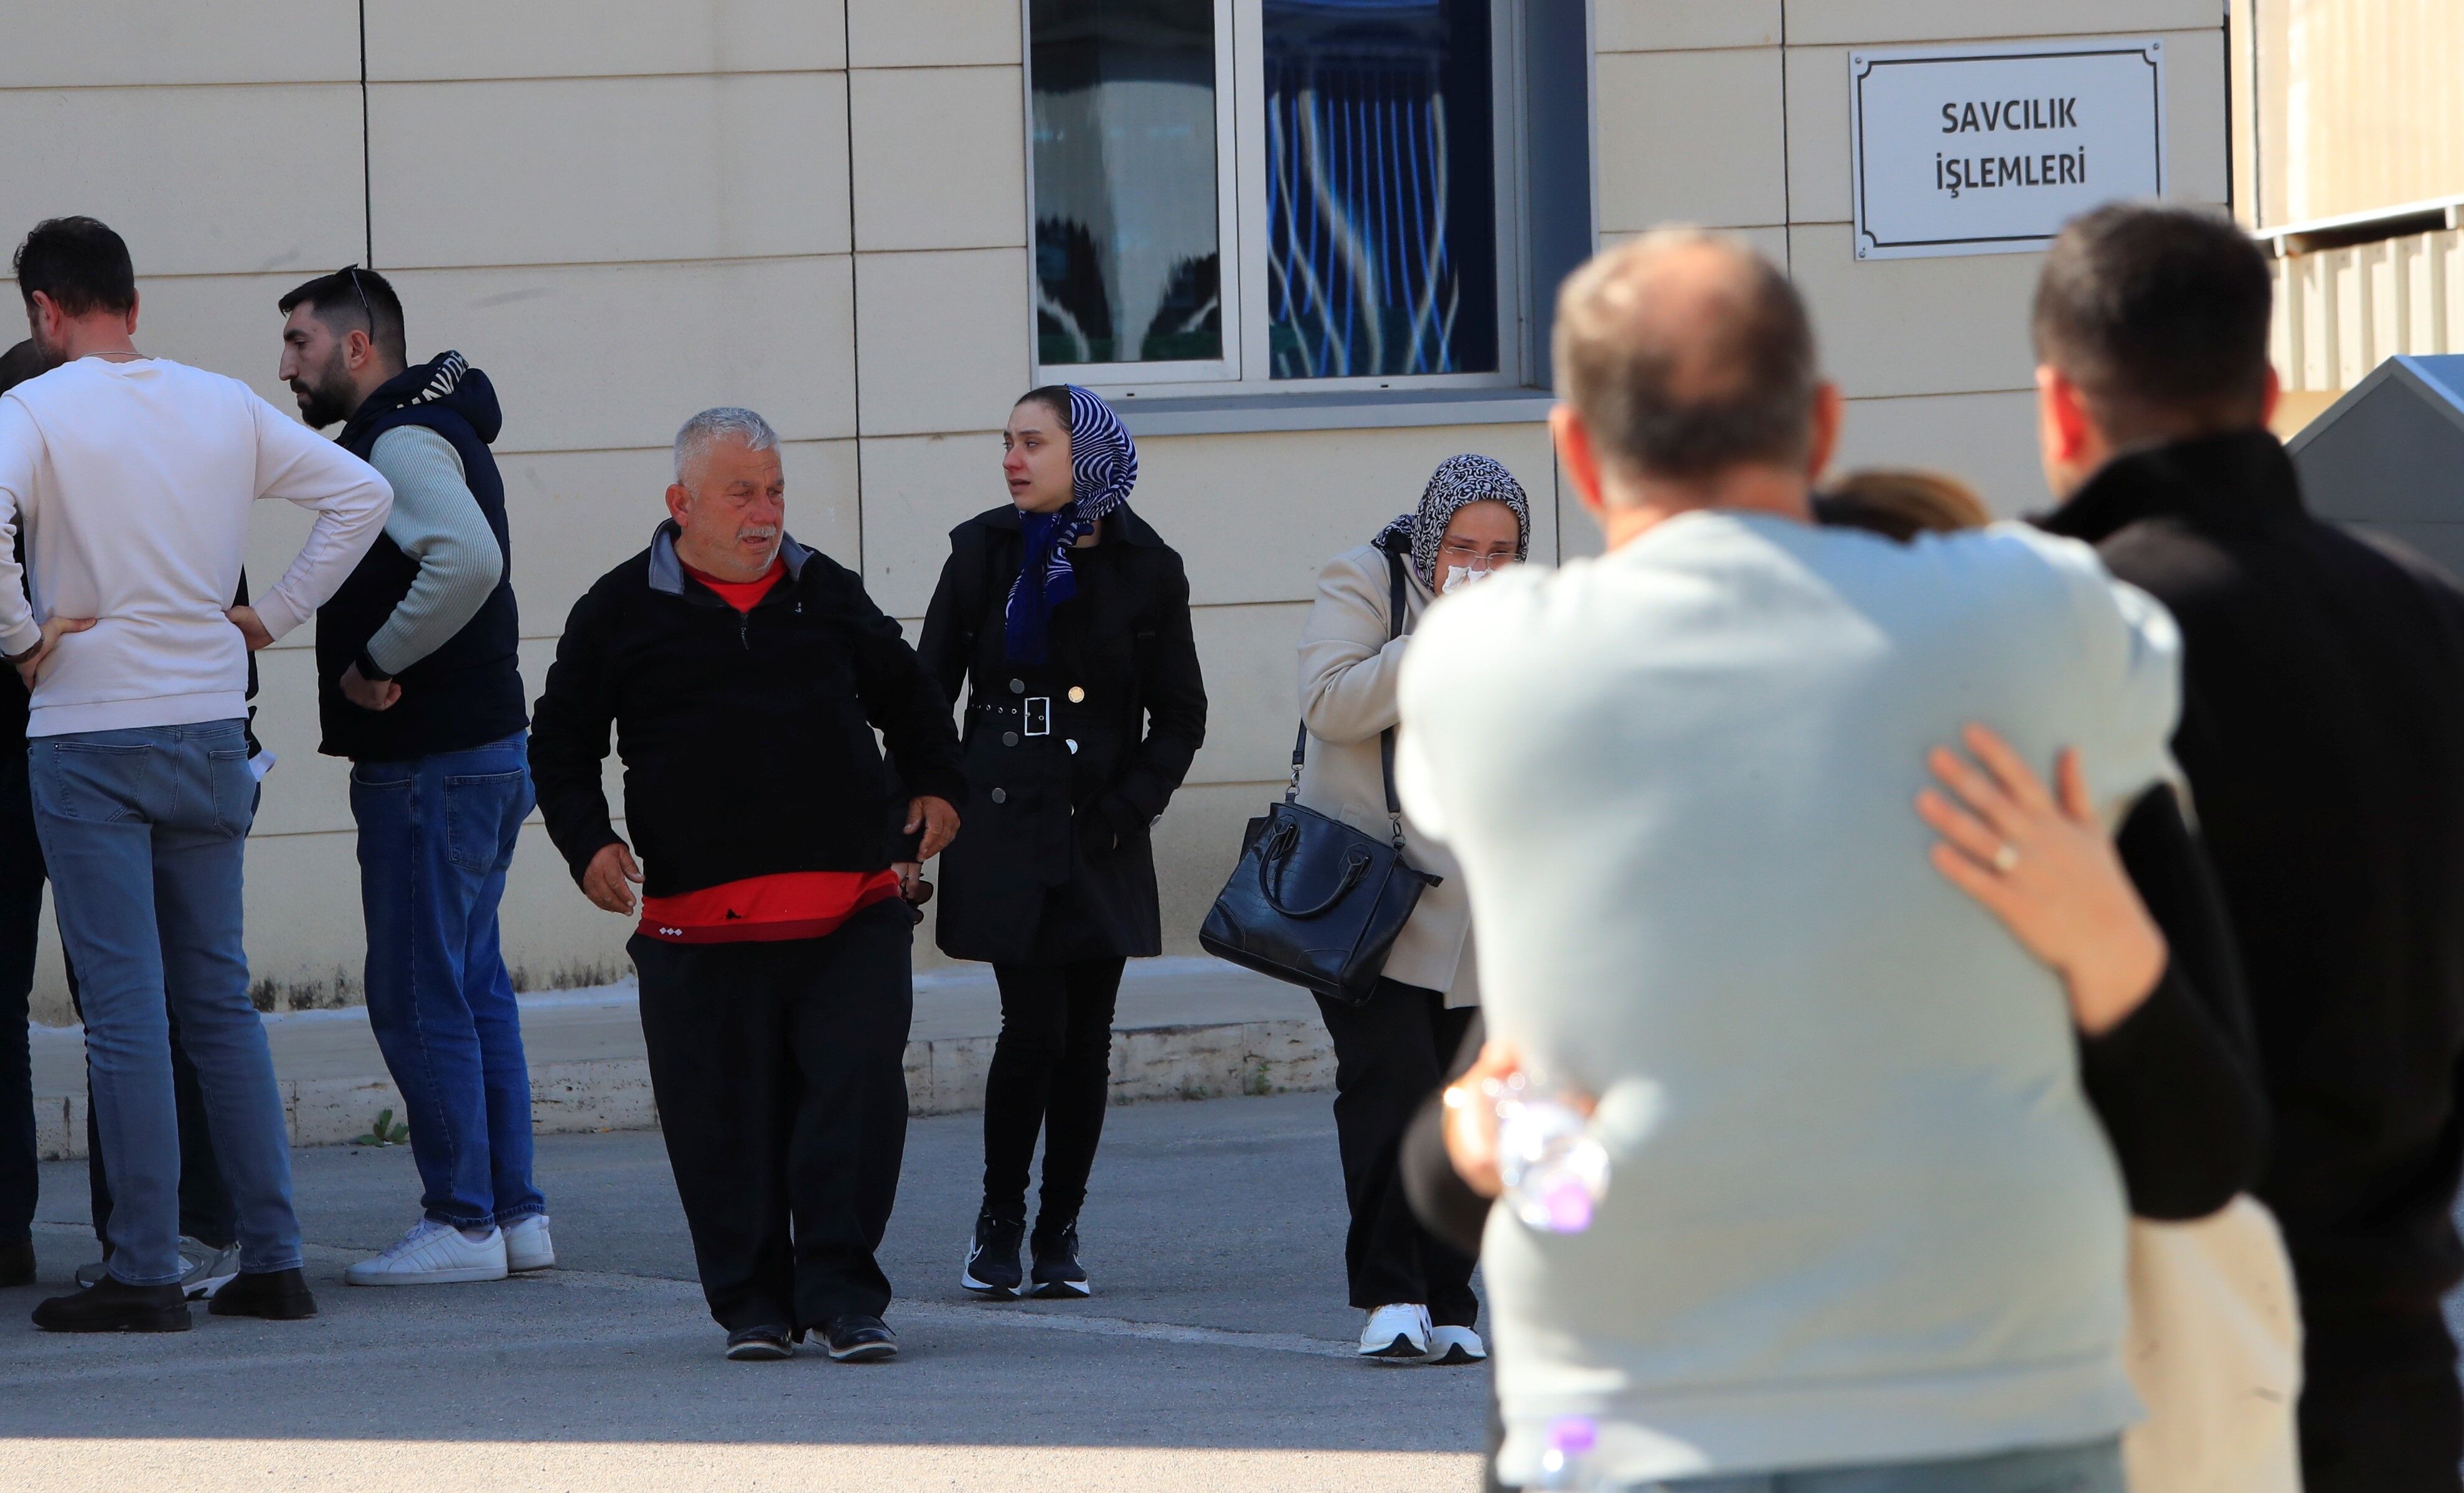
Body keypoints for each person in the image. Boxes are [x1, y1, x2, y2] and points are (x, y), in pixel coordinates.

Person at [1390, 228, 2183, 1491]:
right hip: (1991, 1391)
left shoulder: (1482, 664)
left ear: (1579, 453)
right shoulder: (2039, 612)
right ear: (1819, 427)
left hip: (1620, 1411)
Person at [2030, 202, 2464, 1493]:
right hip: (2388, 1368)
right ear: (2266, 389)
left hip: (2133, 1369)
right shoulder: (2430, 617)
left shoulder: (2044, 632)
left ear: (2059, 410)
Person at [0, 217, 391, 1332]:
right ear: (134, 300)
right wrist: (267, 616)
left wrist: (24, 638)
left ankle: (145, 1271)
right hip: (211, 727)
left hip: (89, 730)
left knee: (125, 1016)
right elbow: (360, 499)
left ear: (43, 310)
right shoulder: (223, 402)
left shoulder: (30, 410)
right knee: (218, 1004)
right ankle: (272, 1259)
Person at [529, 406, 964, 1363]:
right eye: (742, 493)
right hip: (696, 925)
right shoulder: (618, 609)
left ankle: (846, 1297)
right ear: (682, 503)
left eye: (774, 491)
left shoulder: (825, 591)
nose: (765, 512)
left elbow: (913, 695)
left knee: (852, 1101)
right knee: (721, 1123)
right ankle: (753, 1307)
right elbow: (559, 741)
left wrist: (936, 783)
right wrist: (587, 841)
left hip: (850, 906)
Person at [275, 266, 545, 1287]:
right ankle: (515, 1217)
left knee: (419, 988)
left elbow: (465, 561)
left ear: (357, 346)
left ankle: (462, 1222)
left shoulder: (395, 438)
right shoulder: (436, 428)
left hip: (429, 762)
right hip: (471, 753)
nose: (286, 364)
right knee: (472, 985)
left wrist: (374, 663)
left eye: (301, 342)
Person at [918, 385, 1205, 1302]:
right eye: (1006, 441)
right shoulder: (982, 550)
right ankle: (999, 1221)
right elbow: (928, 692)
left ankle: (1059, 1230)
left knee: (1087, 1039)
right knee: (1031, 1026)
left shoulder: (1148, 566)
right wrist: (924, 802)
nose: (1012, 459)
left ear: (1085, 456)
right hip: (1005, 820)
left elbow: (1180, 715)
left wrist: (1131, 806)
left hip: (1100, 826)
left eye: (1031, 443)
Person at [1297, 452, 1525, 1365]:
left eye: (1501, 551)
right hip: (1372, 900)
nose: (1478, 566)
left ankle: (1450, 1299)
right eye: (1462, 546)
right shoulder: (1364, 582)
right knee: (1389, 1093)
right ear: (1429, 540)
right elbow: (1328, 705)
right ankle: (1391, 1296)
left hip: (1483, 912)